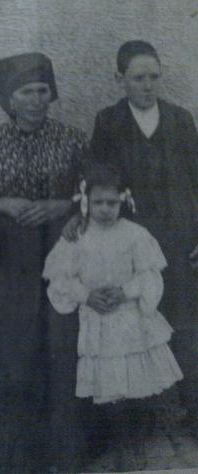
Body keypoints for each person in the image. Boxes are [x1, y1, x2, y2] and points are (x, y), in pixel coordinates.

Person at [0, 52, 88, 473]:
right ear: (9, 99)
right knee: (13, 356)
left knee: (60, 349)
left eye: (42, 91)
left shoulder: (73, 141)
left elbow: (95, 194)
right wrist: (2, 204)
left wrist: (63, 206)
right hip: (5, 264)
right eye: (26, 92)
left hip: (60, 256)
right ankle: (15, 458)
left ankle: (63, 455)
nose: (36, 100)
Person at [87, 40, 198, 440]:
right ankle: (137, 423)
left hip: (180, 239)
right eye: (138, 78)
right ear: (119, 79)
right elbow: (101, 182)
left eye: (153, 77)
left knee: (185, 324)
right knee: (133, 323)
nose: (147, 85)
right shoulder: (109, 122)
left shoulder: (180, 119)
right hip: (131, 243)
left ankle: (195, 412)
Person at [44, 162, 183, 471]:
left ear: (123, 200)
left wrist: (126, 291)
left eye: (112, 202)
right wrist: (86, 295)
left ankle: (139, 442)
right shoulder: (77, 236)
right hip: (98, 322)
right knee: (110, 388)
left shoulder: (135, 234)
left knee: (138, 384)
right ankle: (118, 446)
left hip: (131, 322)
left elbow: (150, 276)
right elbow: (60, 279)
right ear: (86, 202)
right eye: (98, 203)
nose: (105, 209)